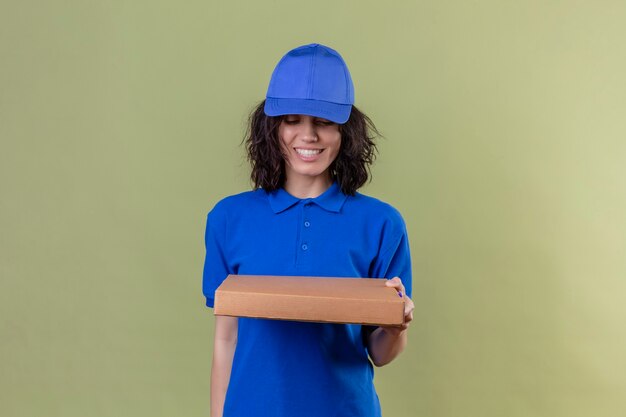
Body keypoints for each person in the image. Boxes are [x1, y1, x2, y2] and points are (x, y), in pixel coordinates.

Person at [203, 43, 415, 417]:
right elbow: (226, 338)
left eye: (324, 122)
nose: (308, 135)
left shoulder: (381, 225)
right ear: (271, 127)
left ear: (345, 131)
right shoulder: (229, 218)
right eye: (292, 120)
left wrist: (397, 326)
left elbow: (380, 353)